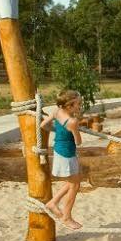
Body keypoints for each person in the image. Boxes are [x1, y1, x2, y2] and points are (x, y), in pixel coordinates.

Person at [41, 90, 84, 230]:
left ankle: (52, 203)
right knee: (75, 185)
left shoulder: (57, 111)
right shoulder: (72, 121)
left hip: (58, 150)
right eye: (78, 103)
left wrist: (59, 130)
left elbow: (43, 126)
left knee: (72, 181)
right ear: (69, 105)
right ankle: (66, 217)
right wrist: (75, 126)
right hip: (67, 154)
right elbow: (78, 142)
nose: (80, 106)